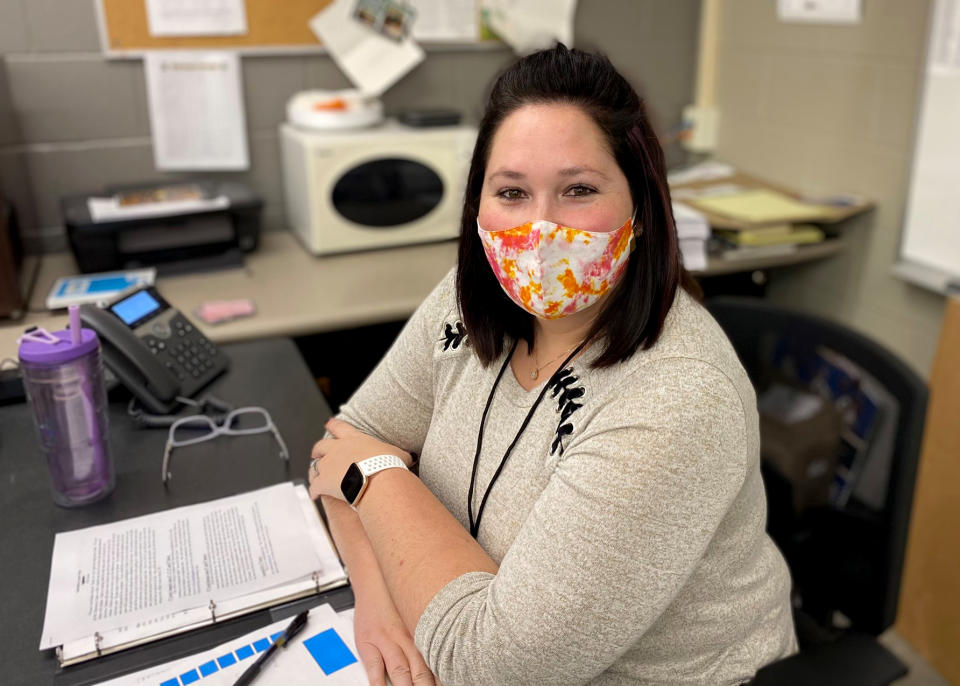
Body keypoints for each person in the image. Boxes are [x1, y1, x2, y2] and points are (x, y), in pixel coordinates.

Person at [308, 45, 797, 686]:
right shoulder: (468, 295)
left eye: (578, 190)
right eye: (511, 192)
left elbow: (492, 666)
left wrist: (372, 474)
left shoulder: (677, 398)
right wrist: (379, 605)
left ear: (642, 210)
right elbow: (338, 445)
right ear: (478, 208)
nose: (539, 230)